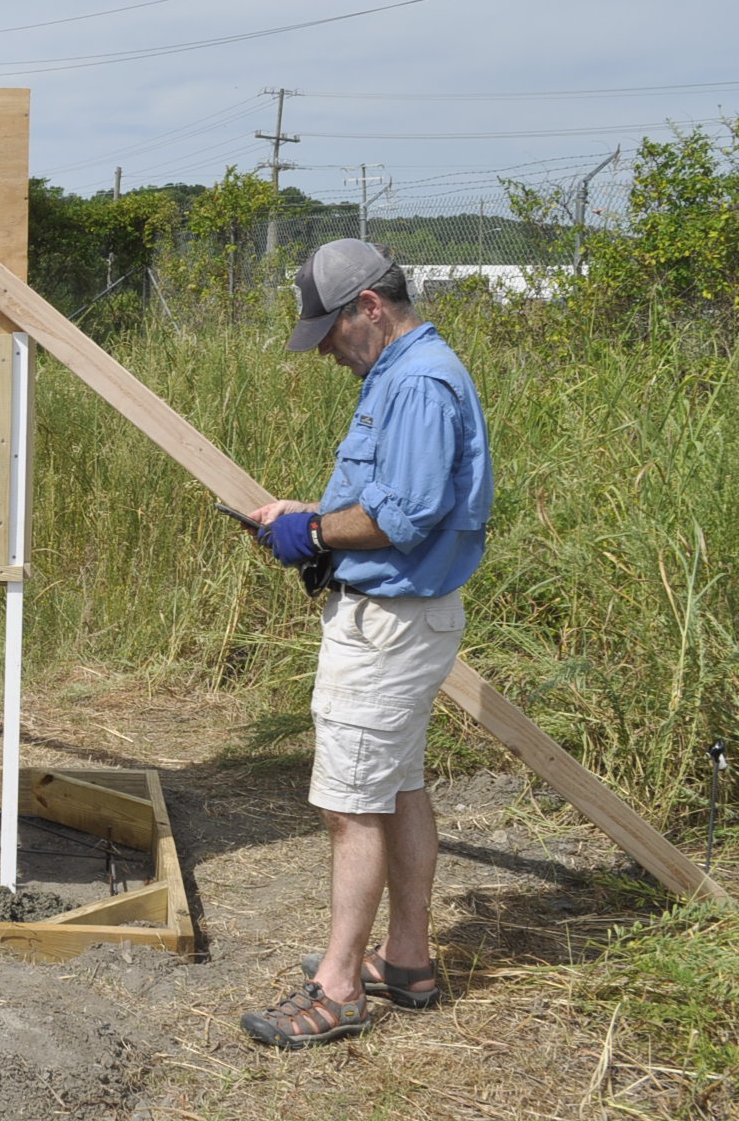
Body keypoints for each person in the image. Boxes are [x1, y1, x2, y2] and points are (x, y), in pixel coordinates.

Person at [239, 238, 493, 1049]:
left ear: (371, 307)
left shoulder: (416, 381)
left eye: (330, 333)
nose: (325, 353)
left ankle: (339, 988)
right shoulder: (406, 372)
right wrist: (310, 516)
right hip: (404, 619)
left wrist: (313, 534)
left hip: (386, 627)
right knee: (398, 788)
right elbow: (389, 497)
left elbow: (402, 517)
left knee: (350, 806)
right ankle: (406, 961)